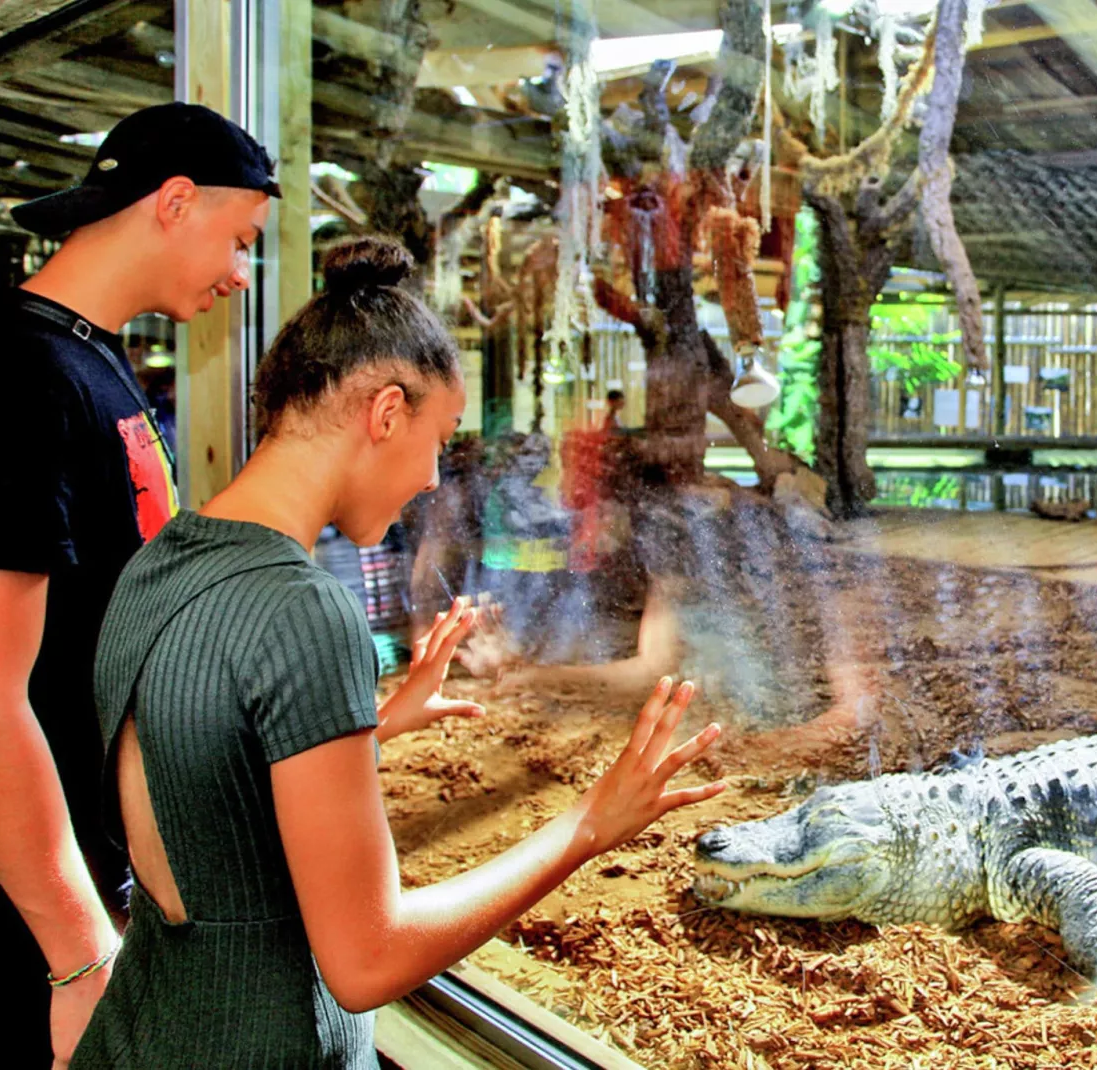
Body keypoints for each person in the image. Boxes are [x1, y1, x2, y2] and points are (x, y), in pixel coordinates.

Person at [72, 236, 725, 1068]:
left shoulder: (160, 561)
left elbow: (199, 776)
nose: (430, 478)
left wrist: (369, 724)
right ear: (385, 414)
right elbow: (366, 960)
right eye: (438, 441)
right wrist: (589, 825)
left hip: (139, 1032)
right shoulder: (304, 610)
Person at [0, 102, 280, 1070]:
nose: (242, 272)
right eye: (240, 238)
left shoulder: (92, 359)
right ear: (173, 202)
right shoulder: (10, 370)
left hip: (101, 878)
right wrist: (79, 954)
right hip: (33, 919)